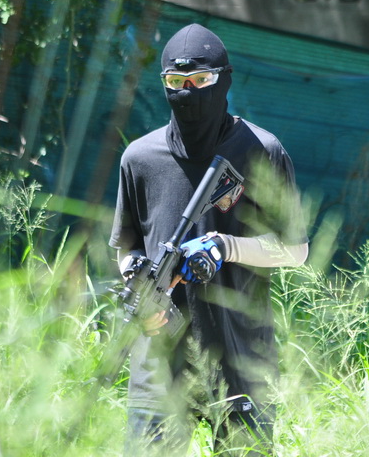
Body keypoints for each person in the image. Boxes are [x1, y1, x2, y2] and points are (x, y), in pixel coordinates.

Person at [109, 23, 308, 454]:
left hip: (241, 359)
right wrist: (138, 285)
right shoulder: (139, 158)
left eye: (201, 80)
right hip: (159, 365)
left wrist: (225, 247)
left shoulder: (262, 151)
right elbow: (127, 247)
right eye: (175, 82)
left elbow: (296, 250)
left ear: (224, 80)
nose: (188, 92)